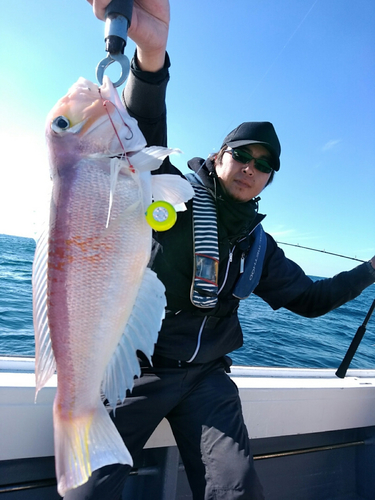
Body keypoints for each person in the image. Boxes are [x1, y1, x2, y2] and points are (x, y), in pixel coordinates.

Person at [67, 2, 375, 499]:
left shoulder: (260, 247)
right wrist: (151, 54)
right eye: (242, 154)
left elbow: (313, 301)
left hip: (209, 378)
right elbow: (142, 129)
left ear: (269, 180)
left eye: (264, 163)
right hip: (138, 369)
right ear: (218, 156)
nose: (251, 167)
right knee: (86, 486)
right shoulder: (172, 190)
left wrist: (371, 270)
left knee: (236, 491)